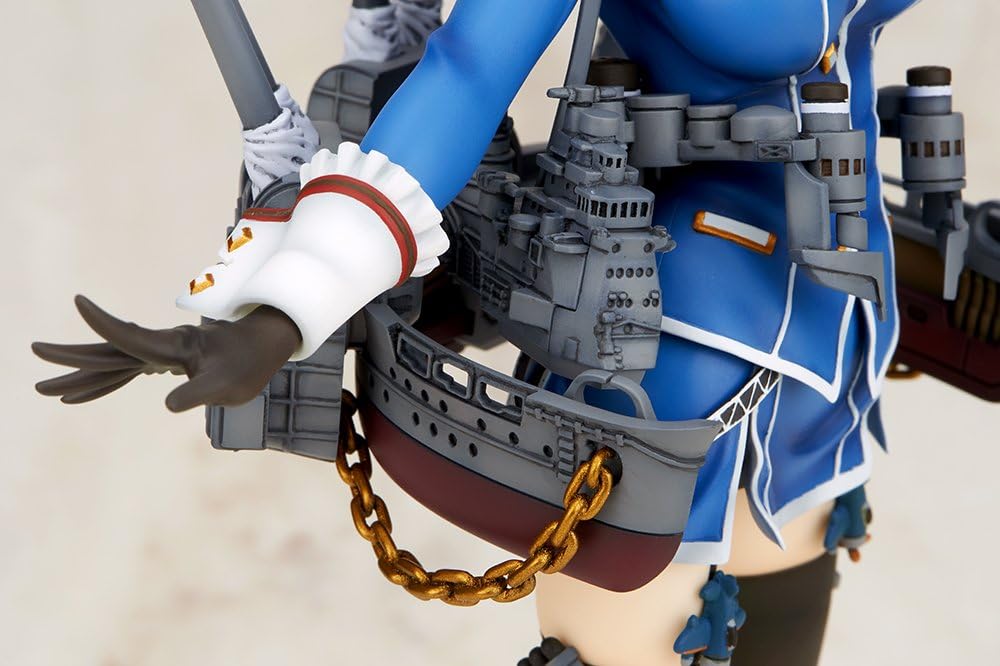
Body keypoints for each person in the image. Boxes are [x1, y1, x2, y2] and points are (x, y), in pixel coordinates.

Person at [33, 1, 926, 664]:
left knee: (788, 595)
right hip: (670, 333)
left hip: (835, 321)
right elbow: (466, 70)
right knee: (630, 633)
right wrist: (287, 308)